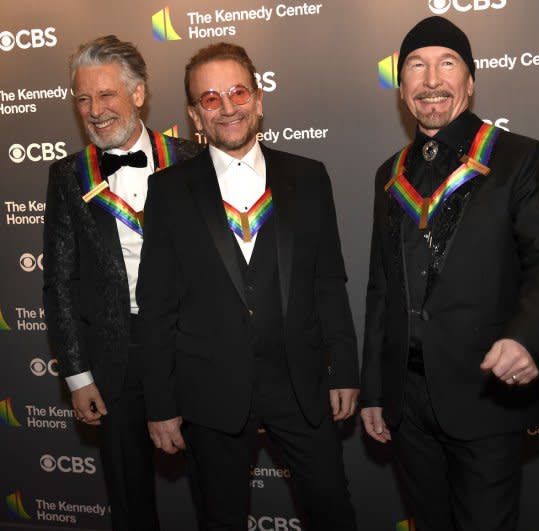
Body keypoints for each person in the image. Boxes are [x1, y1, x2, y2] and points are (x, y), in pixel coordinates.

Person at [137, 42, 359, 531]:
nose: (228, 107)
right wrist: (161, 404)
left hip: (301, 385)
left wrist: (343, 367)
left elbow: (328, 281)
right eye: (211, 99)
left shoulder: (309, 177)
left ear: (259, 99)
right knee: (221, 518)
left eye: (238, 91)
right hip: (210, 392)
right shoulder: (169, 191)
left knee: (332, 509)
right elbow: (155, 306)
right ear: (195, 115)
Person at [360, 16, 539, 531]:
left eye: (447, 64)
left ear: (471, 82)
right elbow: (382, 286)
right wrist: (373, 389)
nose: (431, 80)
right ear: (401, 86)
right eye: (416, 66)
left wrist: (527, 339)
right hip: (406, 401)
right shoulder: (389, 173)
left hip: (484, 390)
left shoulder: (519, 157)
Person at [42, 35, 201, 530]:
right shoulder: (69, 175)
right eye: (83, 99)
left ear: (138, 95)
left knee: (217, 489)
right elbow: (61, 282)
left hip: (193, 348)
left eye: (106, 95)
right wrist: (77, 374)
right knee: (129, 503)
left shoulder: (194, 160)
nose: (94, 110)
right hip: (114, 359)